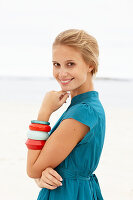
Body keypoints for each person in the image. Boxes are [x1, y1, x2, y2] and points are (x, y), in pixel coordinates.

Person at [26, 29, 106, 199]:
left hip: (68, 194)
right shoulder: (85, 106)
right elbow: (40, 169)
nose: (61, 73)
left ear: (90, 64)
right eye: (56, 64)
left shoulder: (83, 112)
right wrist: (42, 176)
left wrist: (44, 112)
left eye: (70, 64)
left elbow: (32, 169)